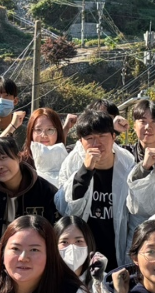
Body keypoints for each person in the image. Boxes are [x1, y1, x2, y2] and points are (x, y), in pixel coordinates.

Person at [55, 109, 136, 270]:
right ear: (80, 142)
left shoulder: (127, 167)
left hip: (116, 254)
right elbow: (66, 208)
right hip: (81, 256)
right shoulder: (73, 165)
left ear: (113, 137)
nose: (96, 143)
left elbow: (135, 216)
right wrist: (85, 170)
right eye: (90, 138)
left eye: (102, 136)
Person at [23, 107, 69, 187]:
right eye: (38, 130)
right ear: (31, 132)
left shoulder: (68, 160)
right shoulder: (22, 162)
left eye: (50, 130)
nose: (44, 135)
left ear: (58, 132)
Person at [130, 99, 155, 164]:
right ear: (134, 126)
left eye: (154, 121)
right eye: (143, 121)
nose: (148, 127)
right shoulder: (125, 154)